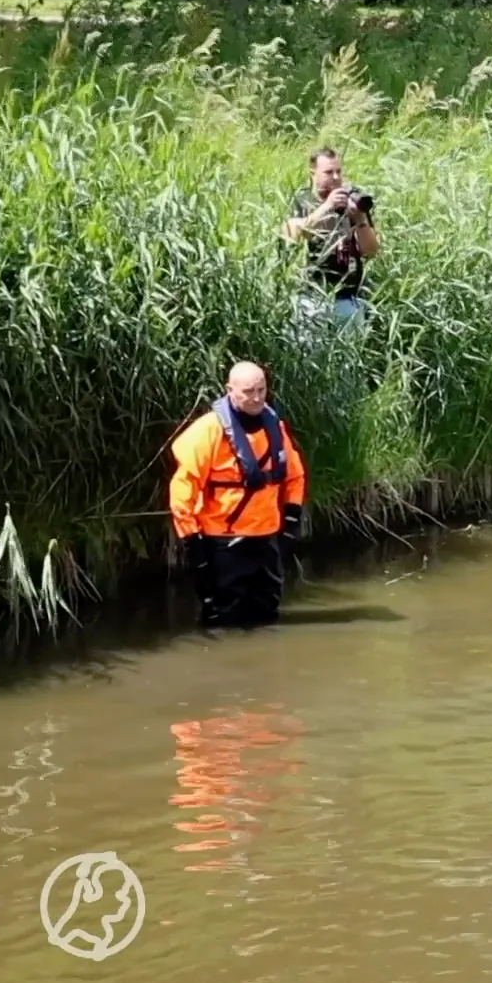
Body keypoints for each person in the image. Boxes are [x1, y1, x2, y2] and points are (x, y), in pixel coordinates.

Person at [168, 362, 309, 629]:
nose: (256, 398)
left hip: (266, 537)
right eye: (248, 391)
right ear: (230, 390)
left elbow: (295, 476)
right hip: (223, 538)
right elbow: (184, 487)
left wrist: (291, 519)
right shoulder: (208, 430)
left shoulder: (274, 427)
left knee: (267, 611)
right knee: (222, 614)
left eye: (261, 390)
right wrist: (191, 539)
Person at [282, 147, 380, 328]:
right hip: (311, 296)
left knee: (350, 354)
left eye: (338, 171)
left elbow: (371, 251)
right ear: (313, 173)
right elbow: (291, 235)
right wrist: (327, 207)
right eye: (328, 172)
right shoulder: (302, 200)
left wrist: (360, 219)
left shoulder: (352, 202)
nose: (335, 177)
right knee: (310, 353)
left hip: (348, 298)